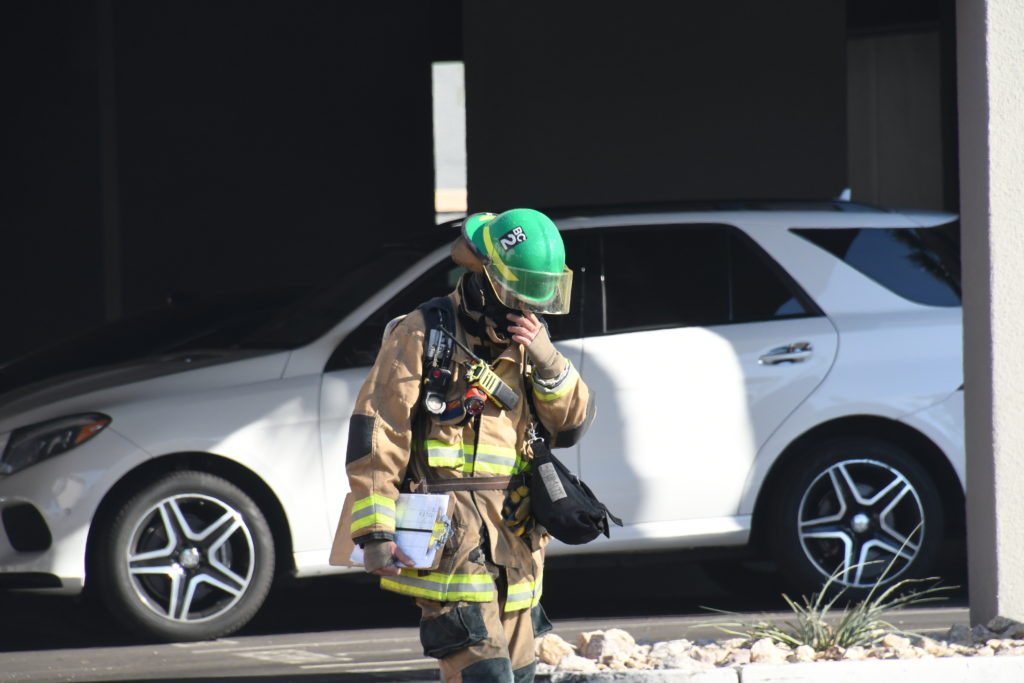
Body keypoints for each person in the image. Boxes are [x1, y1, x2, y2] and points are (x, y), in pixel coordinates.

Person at [345, 208, 595, 682]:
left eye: (536, 297)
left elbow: (570, 428)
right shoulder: (423, 332)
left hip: (517, 545)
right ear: (486, 278)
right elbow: (379, 432)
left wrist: (548, 362)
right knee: (485, 675)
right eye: (518, 294)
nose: (527, 308)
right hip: (451, 542)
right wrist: (375, 532)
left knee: (519, 675)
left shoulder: (531, 344)